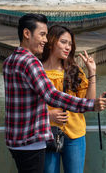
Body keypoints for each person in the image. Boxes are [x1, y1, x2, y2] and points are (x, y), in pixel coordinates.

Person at [3, 13, 106, 173]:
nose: (45, 40)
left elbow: (19, 105)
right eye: (42, 34)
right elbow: (51, 95)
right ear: (27, 34)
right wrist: (91, 105)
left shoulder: (9, 61)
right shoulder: (31, 63)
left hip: (16, 140)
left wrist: (92, 74)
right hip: (33, 140)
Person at [41, 25, 96, 173]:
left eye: (70, 44)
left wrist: (92, 73)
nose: (68, 48)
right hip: (47, 134)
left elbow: (88, 104)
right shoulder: (38, 71)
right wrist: (48, 115)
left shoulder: (73, 70)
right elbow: (28, 104)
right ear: (51, 42)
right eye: (64, 42)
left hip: (75, 135)